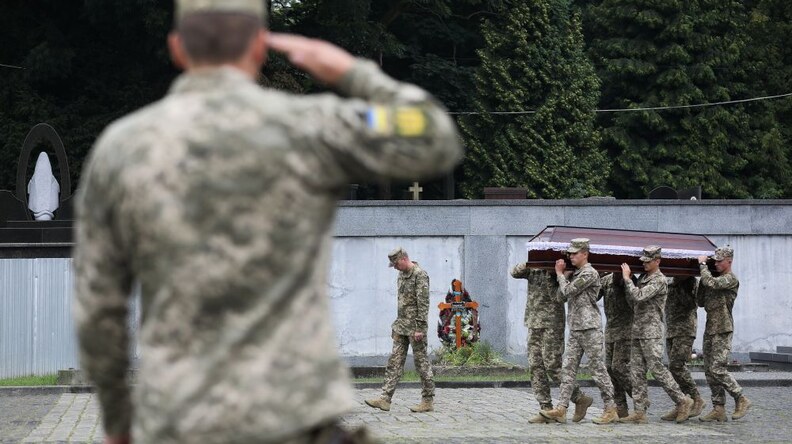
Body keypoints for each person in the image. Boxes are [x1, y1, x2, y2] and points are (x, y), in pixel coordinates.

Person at [72, 0, 463, 442]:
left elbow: (98, 302)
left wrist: (118, 418)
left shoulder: (122, 147)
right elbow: (431, 132)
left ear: (177, 47)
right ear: (259, 47)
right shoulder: (312, 125)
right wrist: (349, 71)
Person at [540, 238, 618, 425]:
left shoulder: (590, 273)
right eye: (570, 253)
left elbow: (568, 292)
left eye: (575, 253)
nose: (571, 256)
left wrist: (560, 274)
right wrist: (564, 276)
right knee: (567, 369)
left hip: (590, 328)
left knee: (598, 369)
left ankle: (611, 408)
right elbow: (560, 297)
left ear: (585, 254)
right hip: (575, 328)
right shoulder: (575, 274)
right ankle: (561, 408)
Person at [619, 246, 694, 424]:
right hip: (638, 330)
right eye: (643, 261)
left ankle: (682, 400)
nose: (644, 264)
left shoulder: (659, 280)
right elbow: (633, 301)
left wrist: (627, 279)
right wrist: (630, 281)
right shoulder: (643, 278)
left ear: (657, 261)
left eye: (648, 261)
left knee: (657, 369)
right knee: (636, 372)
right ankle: (639, 411)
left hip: (651, 332)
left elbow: (639, 296)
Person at [510, 264, 591, 424]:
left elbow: (564, 295)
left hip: (552, 323)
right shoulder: (533, 268)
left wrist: (559, 273)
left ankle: (579, 397)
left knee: (552, 365)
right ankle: (546, 408)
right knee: (535, 365)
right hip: (533, 321)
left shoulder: (561, 267)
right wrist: (531, 262)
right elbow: (514, 272)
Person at [366, 248, 435, 413]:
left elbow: (423, 303)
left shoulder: (420, 275)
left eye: (396, 264)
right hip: (401, 326)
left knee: (421, 364)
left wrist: (420, 328)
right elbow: (403, 303)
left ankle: (427, 400)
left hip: (415, 329)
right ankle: (385, 399)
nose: (395, 267)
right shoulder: (401, 275)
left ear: (404, 259)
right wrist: (397, 326)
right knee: (394, 363)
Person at [696, 246, 752, 421]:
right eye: (715, 261)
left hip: (723, 328)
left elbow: (713, 284)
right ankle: (718, 408)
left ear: (729, 261)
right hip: (710, 328)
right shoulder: (712, 279)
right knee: (709, 371)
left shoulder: (730, 279)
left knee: (718, 368)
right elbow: (700, 301)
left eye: (720, 261)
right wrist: (703, 278)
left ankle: (741, 398)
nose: (717, 264)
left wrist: (703, 266)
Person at [661, 275, 705, 421]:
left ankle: (696, 398)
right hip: (671, 329)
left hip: (685, 329)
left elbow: (691, 304)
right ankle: (682, 402)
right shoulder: (668, 280)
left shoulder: (691, 281)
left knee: (677, 365)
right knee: (673, 367)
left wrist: (679, 284)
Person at [599, 272, 634, 418]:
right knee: (609, 369)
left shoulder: (629, 278)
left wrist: (626, 278)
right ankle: (621, 407)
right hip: (610, 329)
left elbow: (634, 300)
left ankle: (640, 398)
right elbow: (595, 296)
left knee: (619, 367)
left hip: (625, 330)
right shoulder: (605, 279)